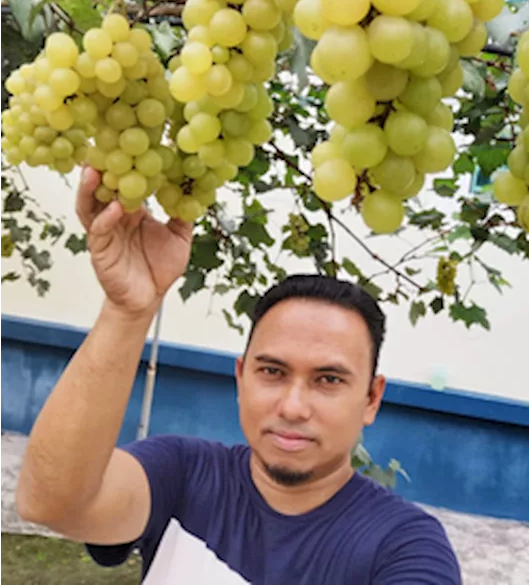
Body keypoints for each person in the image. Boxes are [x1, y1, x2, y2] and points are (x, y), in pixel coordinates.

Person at [16, 167, 462, 584]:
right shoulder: (183, 474)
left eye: (328, 380)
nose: (292, 407)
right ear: (240, 377)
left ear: (371, 398)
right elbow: (51, 502)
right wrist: (127, 310)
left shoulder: (405, 547)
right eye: (272, 371)